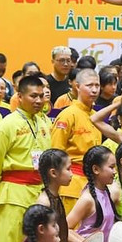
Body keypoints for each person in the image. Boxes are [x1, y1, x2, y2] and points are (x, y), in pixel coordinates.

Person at [0, 75, 51, 242]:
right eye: (33, 96)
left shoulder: (43, 122)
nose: (38, 100)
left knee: (34, 241)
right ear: (20, 96)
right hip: (14, 189)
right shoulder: (8, 124)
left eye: (41, 96)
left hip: (38, 190)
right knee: (8, 241)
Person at [51, 68, 102, 214]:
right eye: (89, 85)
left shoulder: (96, 116)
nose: (94, 90)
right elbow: (56, 153)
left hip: (93, 183)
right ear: (77, 86)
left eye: (97, 86)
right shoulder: (68, 115)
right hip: (72, 184)